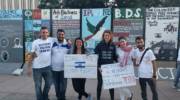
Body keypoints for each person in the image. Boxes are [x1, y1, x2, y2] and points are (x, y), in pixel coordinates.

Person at [27, 26, 53, 100]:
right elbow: (31, 55)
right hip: (37, 68)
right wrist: (29, 68)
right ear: (40, 33)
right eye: (43, 32)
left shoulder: (51, 40)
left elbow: (61, 40)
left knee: (49, 84)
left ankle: (45, 96)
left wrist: (68, 41)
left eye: (46, 32)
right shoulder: (36, 42)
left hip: (48, 67)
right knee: (38, 86)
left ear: (48, 33)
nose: (44, 34)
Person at [95, 30, 117, 100]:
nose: (106, 37)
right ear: (103, 36)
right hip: (101, 68)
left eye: (108, 35)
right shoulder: (99, 45)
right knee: (99, 84)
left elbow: (114, 57)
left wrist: (120, 62)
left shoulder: (113, 45)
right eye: (105, 35)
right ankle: (98, 98)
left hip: (110, 69)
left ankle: (112, 98)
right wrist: (98, 67)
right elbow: (95, 56)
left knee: (111, 85)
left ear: (110, 36)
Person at [51, 29, 71, 100]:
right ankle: (58, 97)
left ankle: (62, 98)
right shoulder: (52, 42)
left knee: (63, 86)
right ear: (57, 35)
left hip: (64, 69)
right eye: (59, 34)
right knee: (56, 86)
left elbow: (72, 54)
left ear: (64, 35)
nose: (61, 36)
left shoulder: (68, 44)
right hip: (54, 69)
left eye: (62, 34)